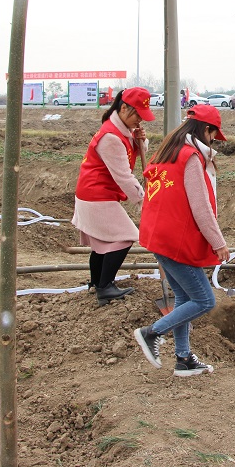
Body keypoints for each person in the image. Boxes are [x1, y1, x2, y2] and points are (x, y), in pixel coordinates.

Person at [134, 105, 230, 377]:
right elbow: (200, 208)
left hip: (158, 235)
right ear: (206, 130)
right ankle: (152, 333)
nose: (213, 140)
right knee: (204, 300)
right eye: (213, 134)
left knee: (184, 298)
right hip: (176, 240)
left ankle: (183, 358)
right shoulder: (190, 157)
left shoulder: (167, 152)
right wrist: (218, 242)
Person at [72, 87, 153, 306]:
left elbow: (135, 149)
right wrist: (144, 201)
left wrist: (141, 140)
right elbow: (124, 176)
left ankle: (97, 283)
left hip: (96, 193)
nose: (139, 121)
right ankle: (105, 286)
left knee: (101, 243)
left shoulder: (121, 130)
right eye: (137, 115)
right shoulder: (111, 137)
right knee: (125, 236)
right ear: (124, 108)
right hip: (96, 193)